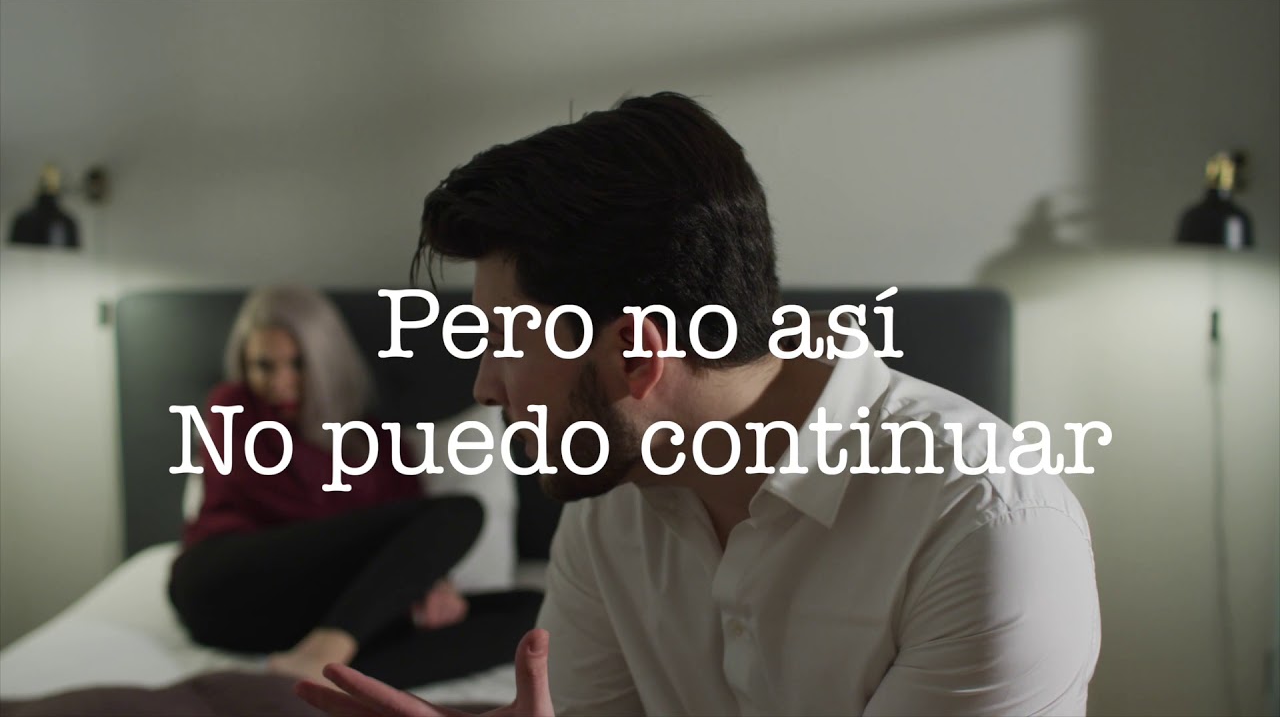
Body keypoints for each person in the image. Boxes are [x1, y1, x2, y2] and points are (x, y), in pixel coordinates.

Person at [296, 93, 1100, 716]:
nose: (484, 387)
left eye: (507, 340)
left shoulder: (986, 528)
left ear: (636, 356)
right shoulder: (608, 509)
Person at [168, 286, 541, 689]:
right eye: (264, 366)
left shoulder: (374, 439)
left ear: (325, 360)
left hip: (323, 609)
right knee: (458, 513)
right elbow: (287, 507)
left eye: (298, 364)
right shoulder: (234, 407)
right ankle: (329, 655)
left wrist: (429, 580)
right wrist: (383, 557)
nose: (280, 383)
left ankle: (336, 677)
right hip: (229, 581)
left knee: (532, 612)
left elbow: (414, 534)